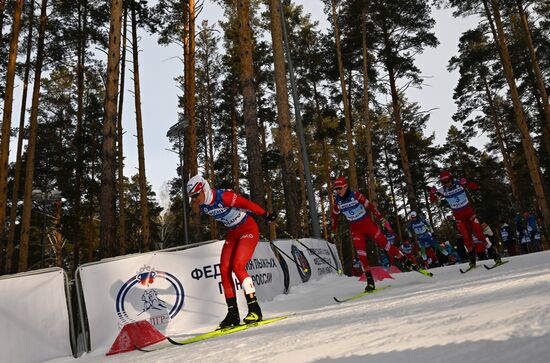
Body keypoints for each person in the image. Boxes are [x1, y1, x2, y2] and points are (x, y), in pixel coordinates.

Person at [186, 175, 276, 329]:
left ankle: (255, 309)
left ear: (204, 188)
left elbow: (247, 204)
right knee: (224, 270)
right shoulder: (203, 206)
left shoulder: (225, 197)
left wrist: (265, 214)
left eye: (195, 195)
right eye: (191, 197)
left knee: (238, 266)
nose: (194, 200)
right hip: (233, 233)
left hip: (248, 228)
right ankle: (233, 313)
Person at [330, 176, 425, 292]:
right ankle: (370, 283)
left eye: (339, 188)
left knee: (387, 246)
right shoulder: (338, 202)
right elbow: (334, 217)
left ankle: (409, 263)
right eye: (336, 189)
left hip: (369, 226)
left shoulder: (355, 195)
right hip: (356, 230)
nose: (338, 191)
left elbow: (371, 207)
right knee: (362, 255)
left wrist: (382, 219)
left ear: (345, 186)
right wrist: (333, 231)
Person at [429, 170, 502, 268]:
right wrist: (432, 193)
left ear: (451, 178)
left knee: (480, 235)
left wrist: (467, 182)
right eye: (444, 182)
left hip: (470, 215)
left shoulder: (459, 183)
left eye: (448, 181)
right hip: (460, 218)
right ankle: (472, 260)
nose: (447, 184)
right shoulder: (442, 190)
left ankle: (495, 256)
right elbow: (432, 200)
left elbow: (475, 187)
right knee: (466, 238)